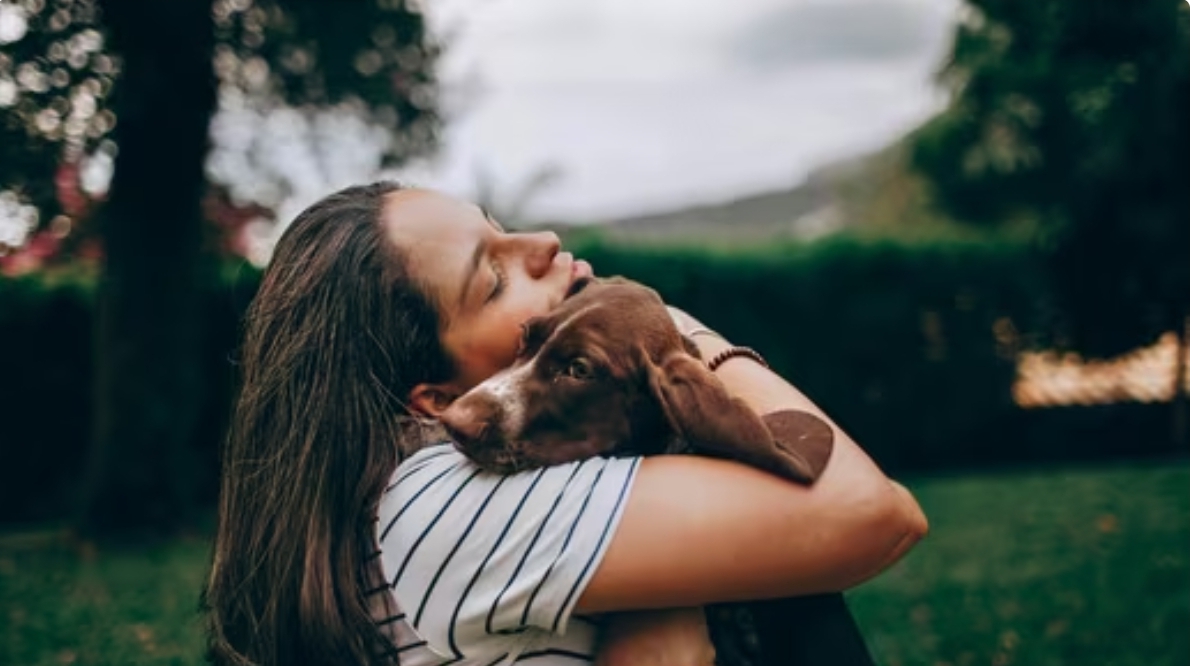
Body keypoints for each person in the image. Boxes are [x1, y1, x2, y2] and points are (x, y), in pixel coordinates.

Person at [202, 181, 928, 666]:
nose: (543, 240)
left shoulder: (522, 467)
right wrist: (674, 334)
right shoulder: (439, 501)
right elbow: (872, 513)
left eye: (498, 226)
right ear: (431, 401)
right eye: (494, 278)